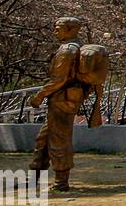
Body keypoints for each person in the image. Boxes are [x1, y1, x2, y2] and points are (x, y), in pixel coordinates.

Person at [28, 16, 102, 192]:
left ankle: (61, 181)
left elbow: (59, 79)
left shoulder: (67, 50)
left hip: (62, 99)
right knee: (44, 138)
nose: (55, 31)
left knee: (59, 139)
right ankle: (34, 178)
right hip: (66, 98)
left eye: (59, 27)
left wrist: (39, 95)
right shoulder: (74, 48)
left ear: (71, 30)